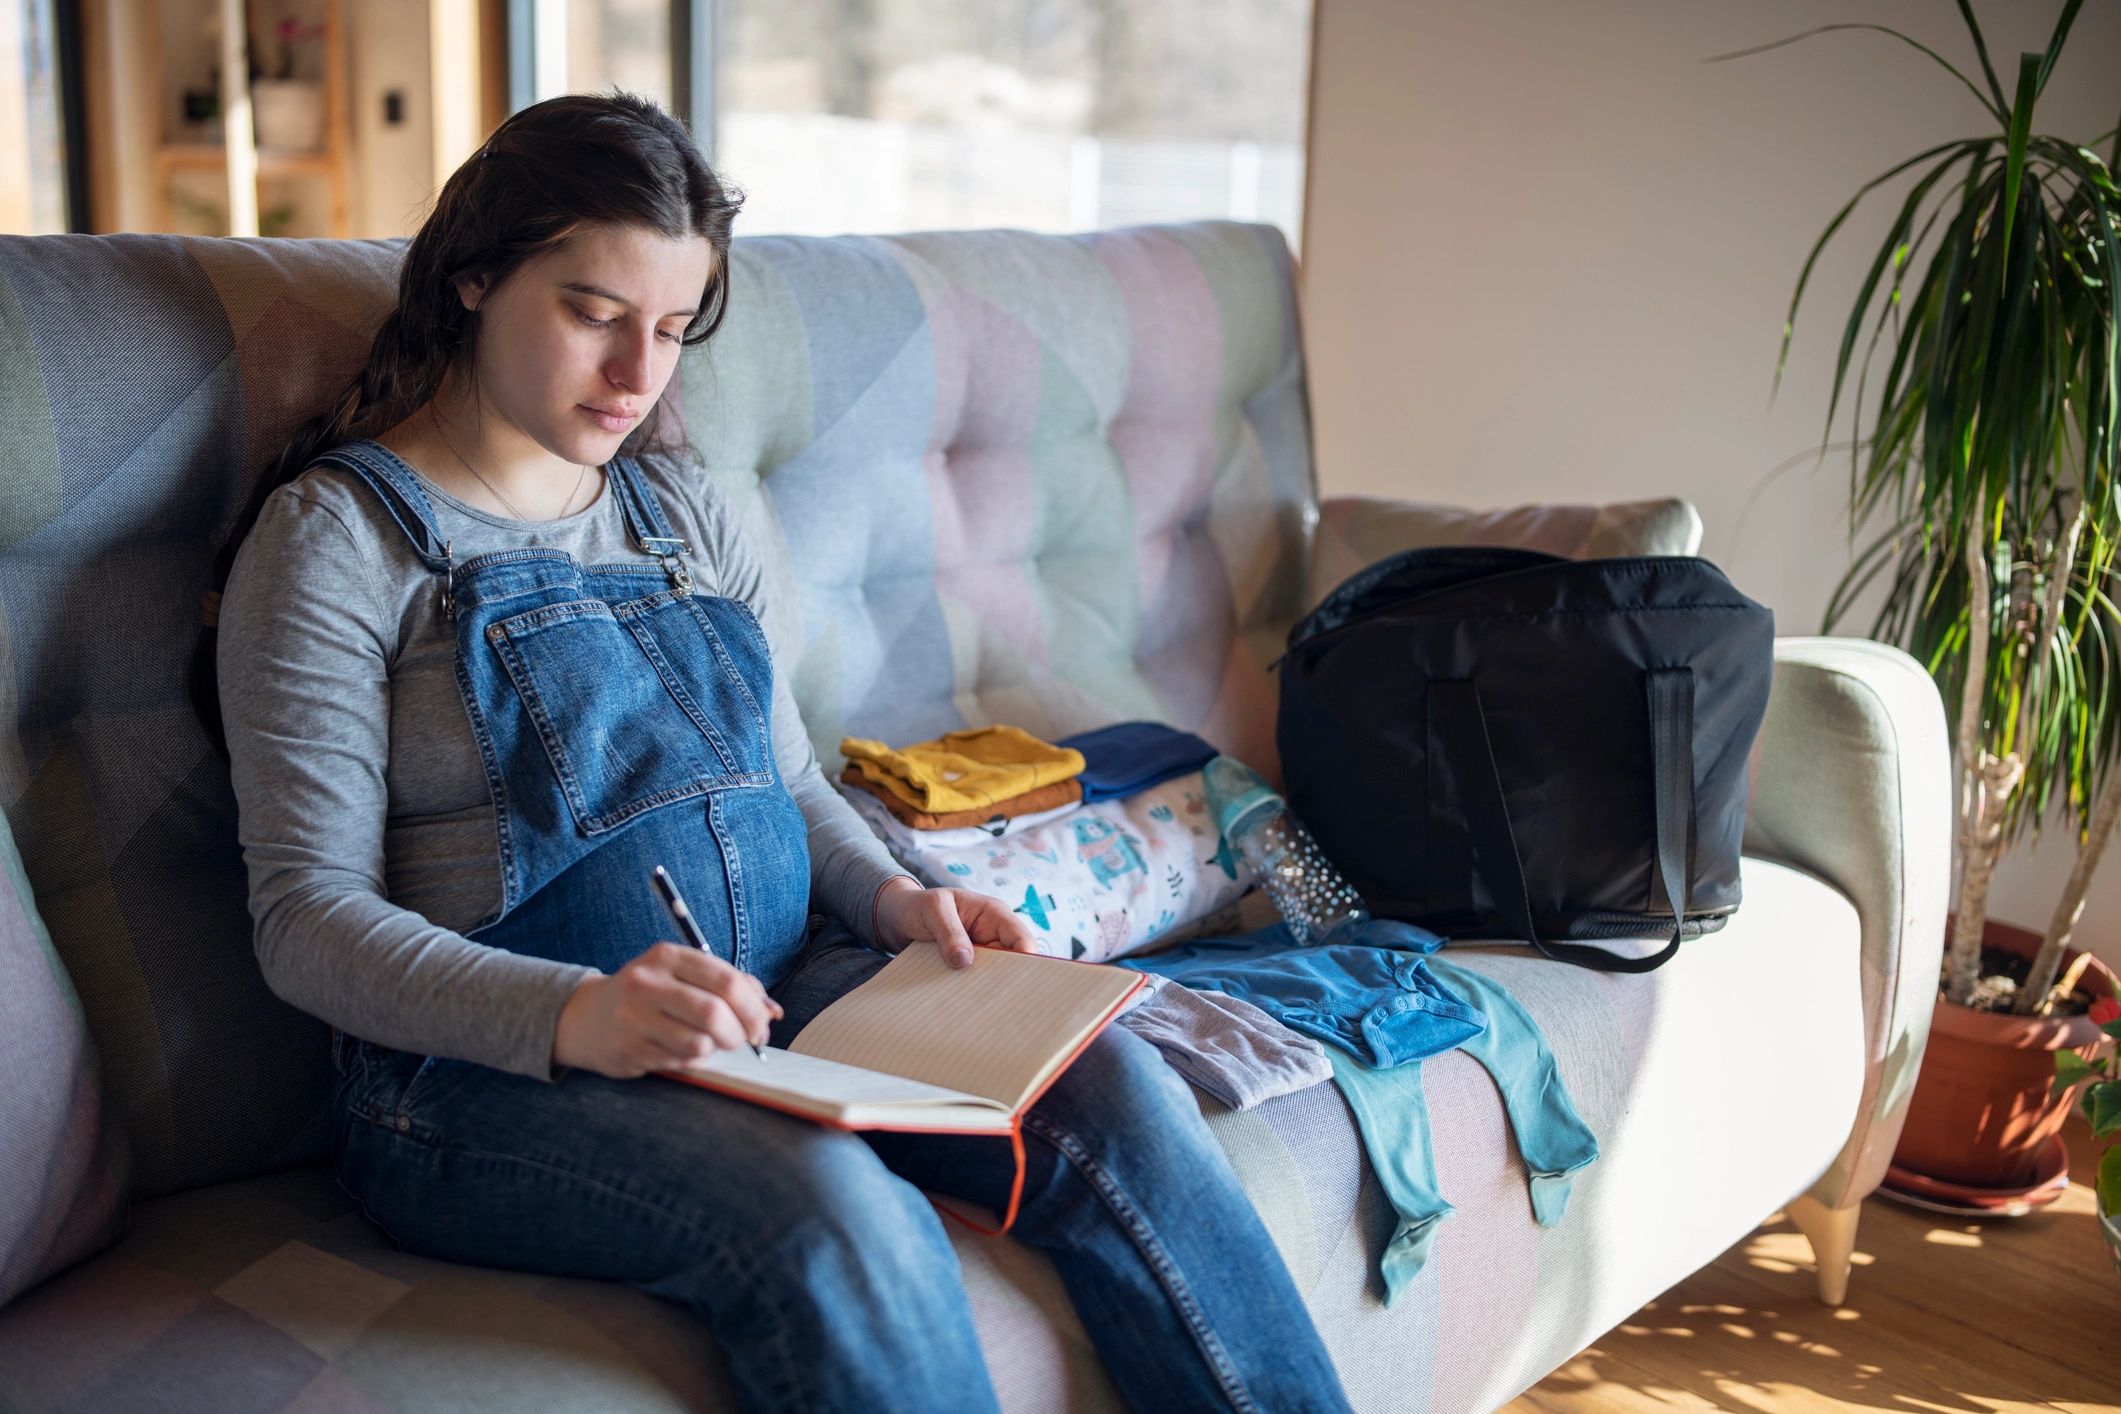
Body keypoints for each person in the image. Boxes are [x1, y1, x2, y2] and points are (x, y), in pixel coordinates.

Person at [202, 90, 1354, 1414]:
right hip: (475, 1085)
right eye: (592, 312)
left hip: (783, 993)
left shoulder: (680, 507)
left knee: (1111, 1089)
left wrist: (894, 897)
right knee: (830, 1208)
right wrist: (577, 1013)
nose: (638, 376)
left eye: (673, 330)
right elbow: (307, 920)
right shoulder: (338, 542)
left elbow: (787, 778)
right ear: (471, 276)